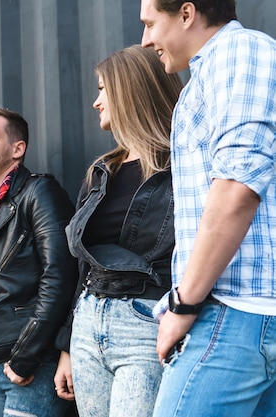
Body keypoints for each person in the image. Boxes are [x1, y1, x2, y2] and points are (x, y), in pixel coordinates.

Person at [139, 1, 276, 415]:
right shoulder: (209, 74)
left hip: (236, 314)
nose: (146, 40)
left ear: (186, 13)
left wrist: (184, 304)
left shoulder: (239, 53)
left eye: (150, 24)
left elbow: (237, 186)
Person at [52, 45, 183, 417]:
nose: (96, 101)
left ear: (130, 90)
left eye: (102, 89)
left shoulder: (180, 165)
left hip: (144, 325)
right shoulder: (101, 171)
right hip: (88, 323)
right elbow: (81, 268)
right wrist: (66, 345)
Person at [0, 106, 77, 417]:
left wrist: (25, 356)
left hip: (32, 363)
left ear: (18, 149)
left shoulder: (39, 193)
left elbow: (61, 275)